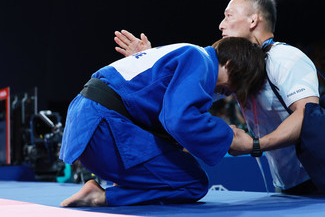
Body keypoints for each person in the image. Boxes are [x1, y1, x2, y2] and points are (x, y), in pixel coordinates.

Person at [115, 0, 321, 195]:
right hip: (286, 183)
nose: (221, 24)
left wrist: (255, 145)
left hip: (318, 177)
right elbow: (180, 99)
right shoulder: (239, 67)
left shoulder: (285, 57)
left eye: (229, 15)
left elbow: (308, 114)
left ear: (253, 21)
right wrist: (154, 67)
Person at [59, 37, 266, 207]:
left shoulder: (185, 52)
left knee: (178, 160)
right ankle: (100, 197)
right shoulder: (199, 61)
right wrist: (228, 136)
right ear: (229, 64)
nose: (232, 93)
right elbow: (179, 121)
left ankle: (121, 184)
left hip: (89, 124)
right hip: (103, 128)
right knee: (193, 183)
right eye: (238, 83)